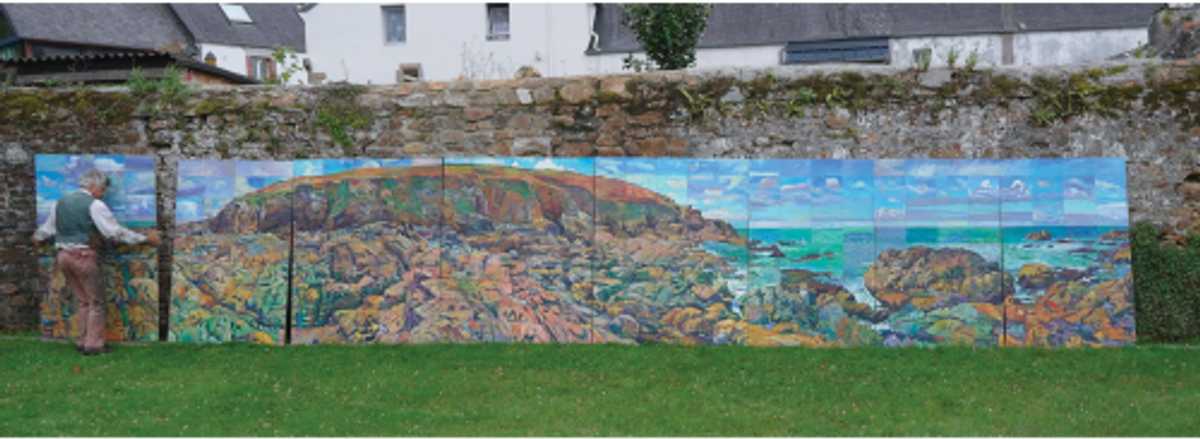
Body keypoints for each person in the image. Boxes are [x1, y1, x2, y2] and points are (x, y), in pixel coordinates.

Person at [32, 169, 161, 356]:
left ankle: (83, 340)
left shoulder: (61, 203)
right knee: (96, 302)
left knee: (84, 301)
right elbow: (114, 232)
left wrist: (36, 237)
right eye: (102, 189)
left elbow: (47, 229)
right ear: (92, 187)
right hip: (83, 256)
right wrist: (145, 239)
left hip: (63, 256)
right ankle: (94, 346)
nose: (103, 193)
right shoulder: (95, 205)